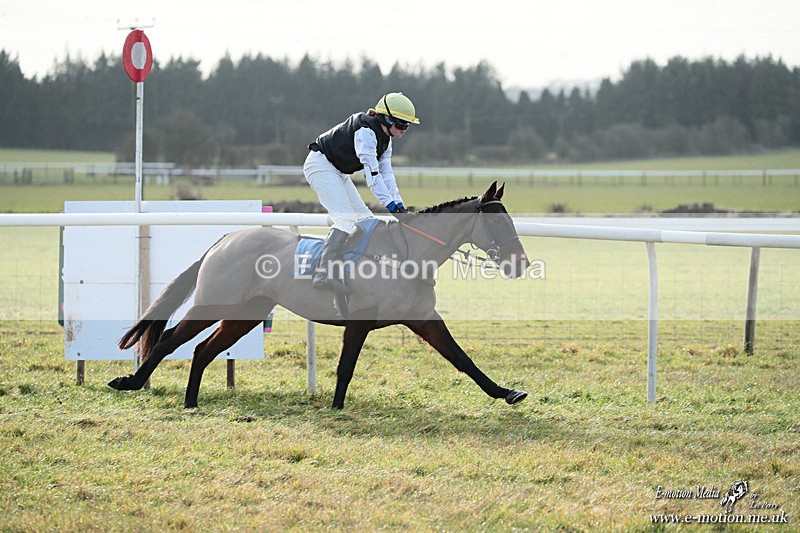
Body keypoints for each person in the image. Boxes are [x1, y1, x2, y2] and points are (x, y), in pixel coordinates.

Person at [303, 92, 420, 294]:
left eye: (407, 126)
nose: (404, 130)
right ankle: (323, 274)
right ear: (387, 118)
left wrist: (400, 205)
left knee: (366, 220)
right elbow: (373, 177)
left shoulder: (386, 139)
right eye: (401, 125)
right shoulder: (366, 132)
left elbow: (387, 174)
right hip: (320, 166)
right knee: (346, 220)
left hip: (338, 171)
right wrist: (392, 207)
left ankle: (349, 268)